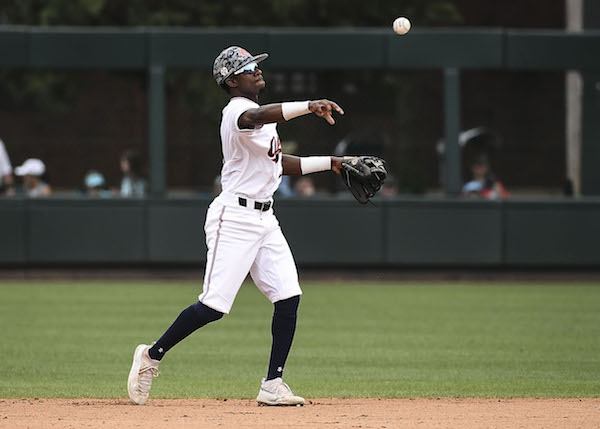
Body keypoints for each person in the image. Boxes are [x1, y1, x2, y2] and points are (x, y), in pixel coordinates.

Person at [127, 46, 346, 407]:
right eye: (247, 68)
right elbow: (256, 115)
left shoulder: (261, 119)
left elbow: (277, 164)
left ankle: (272, 383)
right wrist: (308, 105)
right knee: (213, 307)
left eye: (256, 66)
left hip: (265, 219)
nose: (257, 71)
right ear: (231, 81)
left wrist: (332, 163)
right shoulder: (237, 112)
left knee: (288, 296)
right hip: (235, 217)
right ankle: (151, 356)